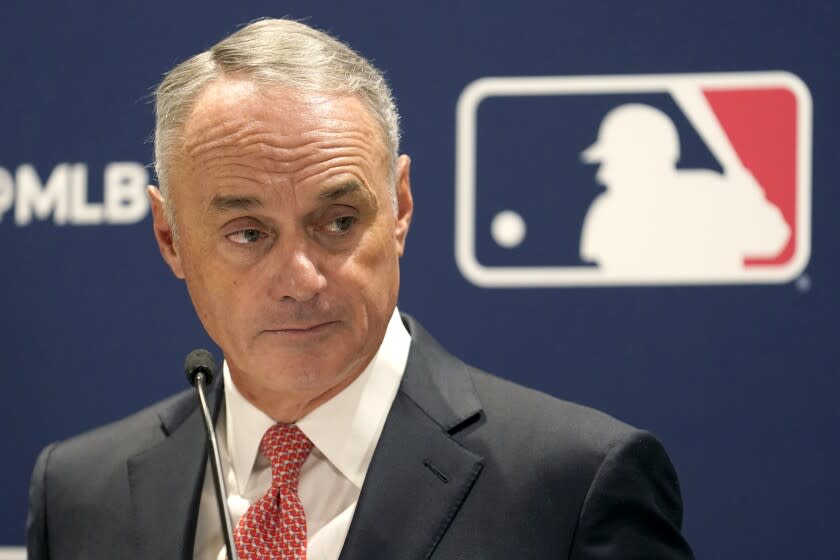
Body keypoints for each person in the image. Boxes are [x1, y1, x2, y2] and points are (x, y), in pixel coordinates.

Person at [26, 18, 695, 559]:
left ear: (399, 207)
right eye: (248, 233)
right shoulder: (82, 492)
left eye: (339, 222)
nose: (300, 278)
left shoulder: (572, 487)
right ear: (170, 238)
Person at [580, 103, 790, 277]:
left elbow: (773, 239)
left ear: (644, 159)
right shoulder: (608, 210)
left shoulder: (711, 194)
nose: (603, 174)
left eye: (613, 161)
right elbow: (602, 279)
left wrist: (750, 202)